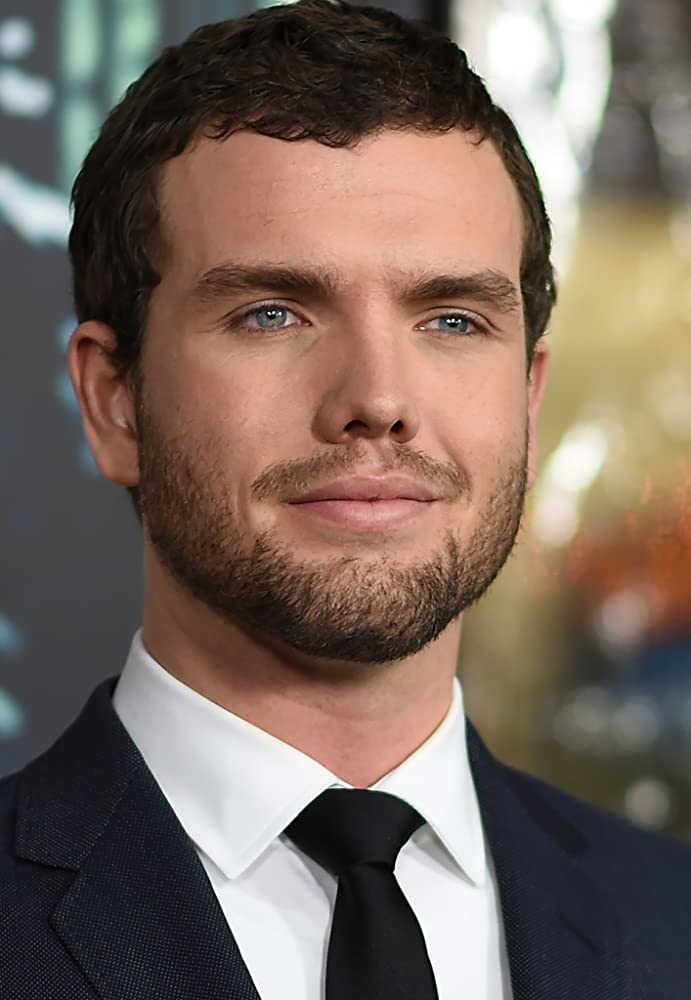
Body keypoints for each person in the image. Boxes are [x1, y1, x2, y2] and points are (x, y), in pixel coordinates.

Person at [2, 1, 690, 997]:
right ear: (114, 401)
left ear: (528, 400)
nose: (376, 399)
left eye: (451, 320)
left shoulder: (673, 924)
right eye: (272, 313)